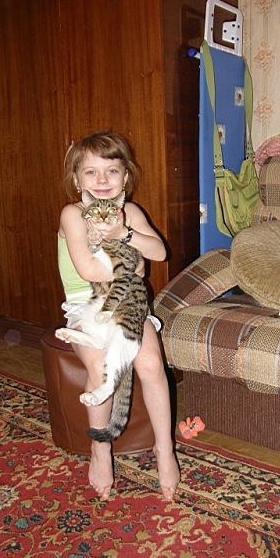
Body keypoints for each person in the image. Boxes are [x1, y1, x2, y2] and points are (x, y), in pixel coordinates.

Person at [58, 131, 180, 500]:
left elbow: (159, 252)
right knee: (100, 366)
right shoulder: (73, 214)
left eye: (111, 171)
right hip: (87, 303)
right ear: (77, 181)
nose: (102, 180)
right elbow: (88, 271)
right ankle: (100, 449)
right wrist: (132, 268)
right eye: (91, 172)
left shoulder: (131, 213)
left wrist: (124, 233)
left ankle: (165, 448)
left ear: (125, 177)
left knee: (151, 364)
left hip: (127, 302)